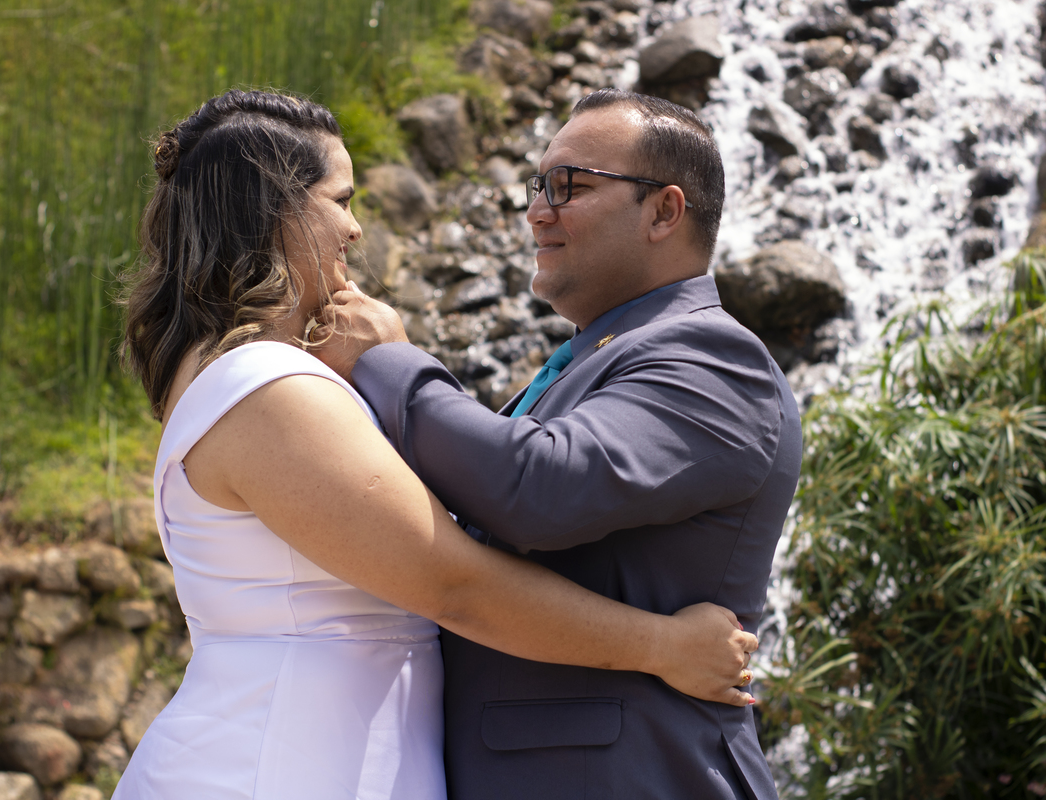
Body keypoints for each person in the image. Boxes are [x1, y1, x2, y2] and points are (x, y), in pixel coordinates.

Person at [110, 89, 757, 800]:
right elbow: (456, 584)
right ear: (277, 212)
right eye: (341, 199)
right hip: (279, 767)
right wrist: (663, 647)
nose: (356, 231)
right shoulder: (269, 387)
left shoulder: (242, 376)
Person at [316, 89, 802, 800]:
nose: (538, 211)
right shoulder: (597, 359)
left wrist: (384, 359)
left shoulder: (716, 359)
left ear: (664, 211)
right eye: (536, 186)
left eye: (568, 186)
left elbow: (537, 489)